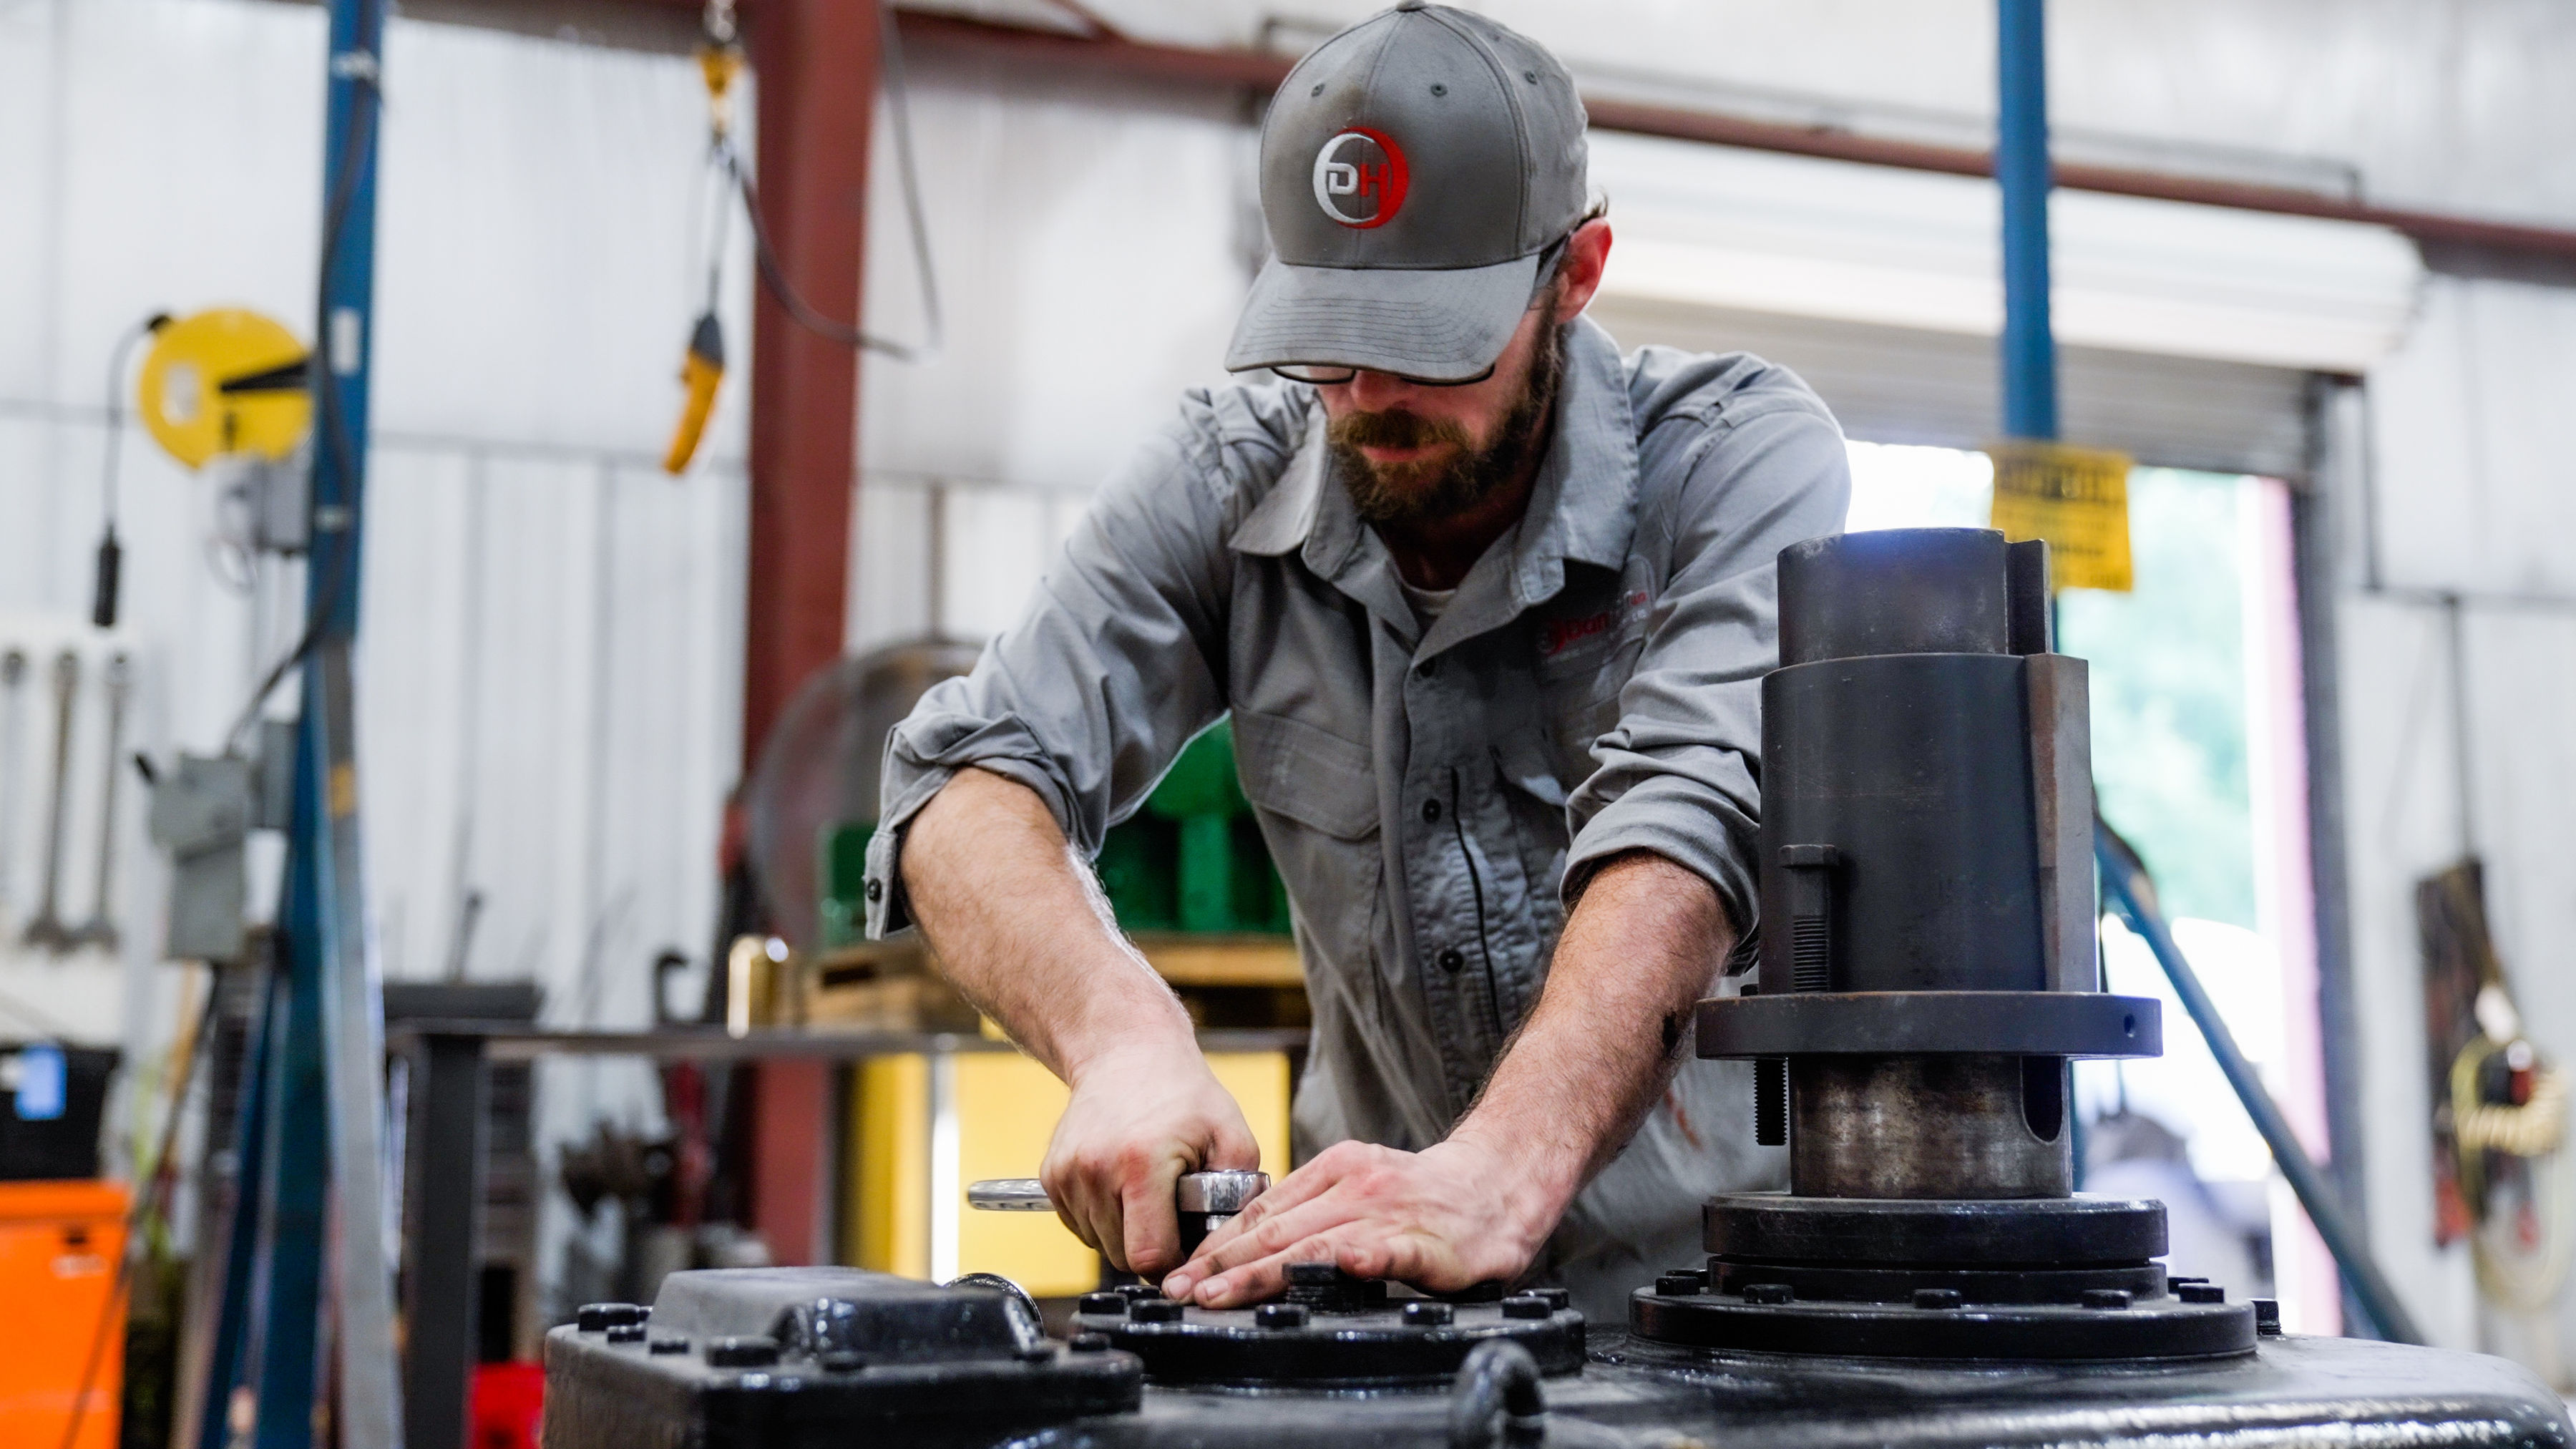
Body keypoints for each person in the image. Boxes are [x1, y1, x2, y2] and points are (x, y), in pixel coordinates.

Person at [862, 0, 1850, 1321]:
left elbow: (1689, 822)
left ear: (1578, 274)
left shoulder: (1736, 466)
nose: (1372, 397)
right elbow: (962, 784)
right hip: (1382, 1319)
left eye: (1432, 345)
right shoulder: (1230, 471)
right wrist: (1121, 1042)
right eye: (1331, 341)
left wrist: (1502, 1168)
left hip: (1727, 1316)